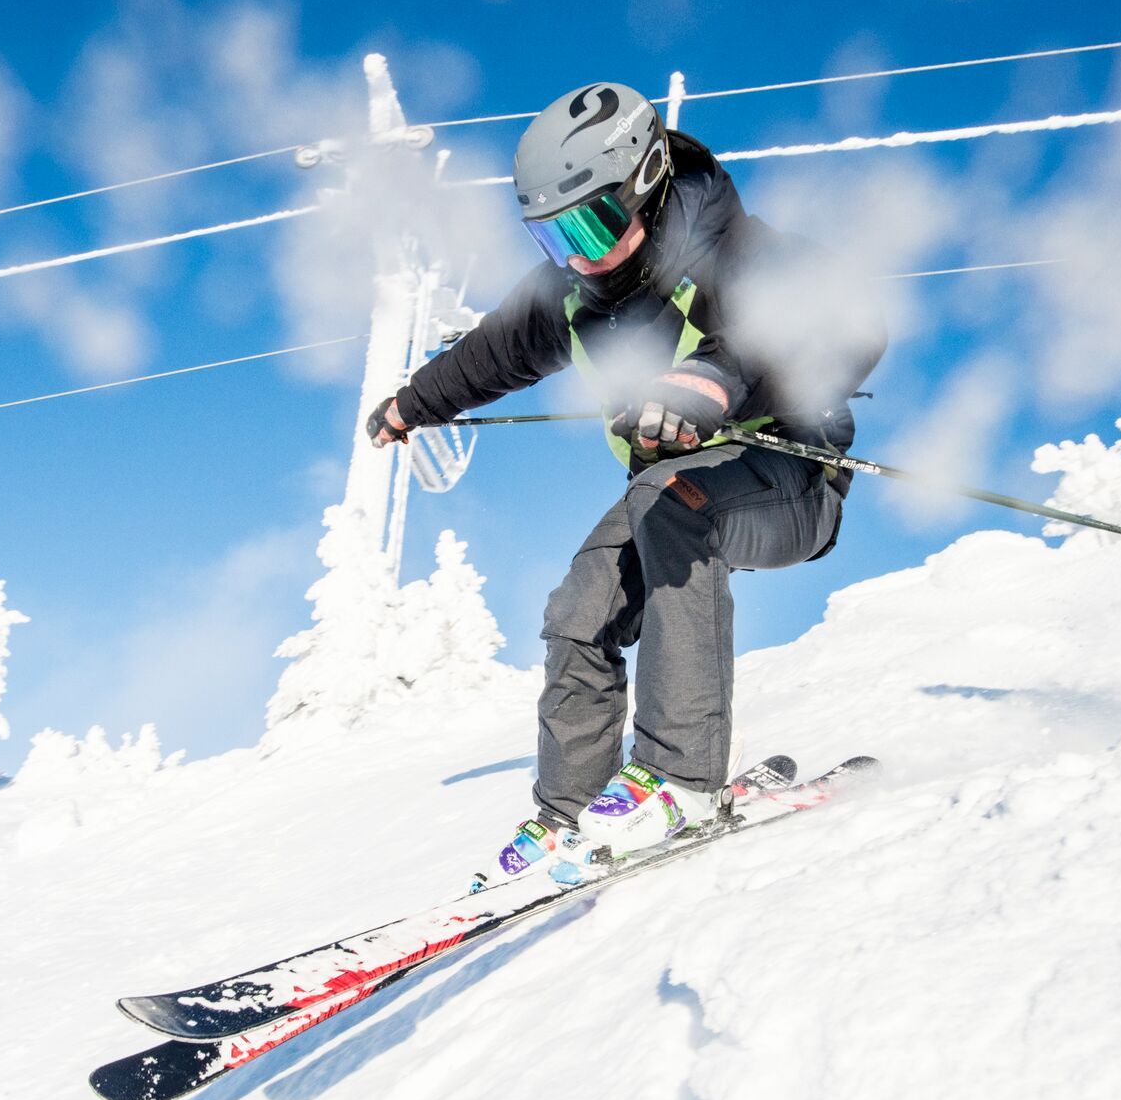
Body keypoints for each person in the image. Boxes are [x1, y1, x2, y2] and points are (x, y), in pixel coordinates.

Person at [366, 82, 885, 889]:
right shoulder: (571, 296)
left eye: (593, 223)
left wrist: (713, 376)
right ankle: (569, 811)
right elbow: (485, 357)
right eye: (552, 236)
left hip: (791, 479)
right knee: (579, 605)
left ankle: (680, 781)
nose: (577, 253)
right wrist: (410, 403)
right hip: (667, 503)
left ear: (645, 180)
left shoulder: (739, 250)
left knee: (677, 502)